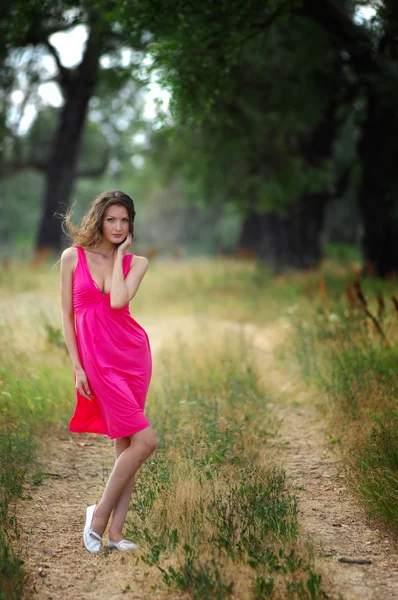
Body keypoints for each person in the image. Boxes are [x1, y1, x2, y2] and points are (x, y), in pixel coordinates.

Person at [59, 190, 157, 553]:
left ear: (131, 224)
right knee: (146, 441)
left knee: (128, 443)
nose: (118, 226)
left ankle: (115, 533)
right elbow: (68, 315)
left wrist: (120, 256)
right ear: (99, 219)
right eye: (111, 219)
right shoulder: (73, 257)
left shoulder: (138, 262)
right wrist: (76, 366)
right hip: (98, 362)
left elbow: (117, 301)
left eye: (125, 220)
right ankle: (97, 517)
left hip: (133, 356)